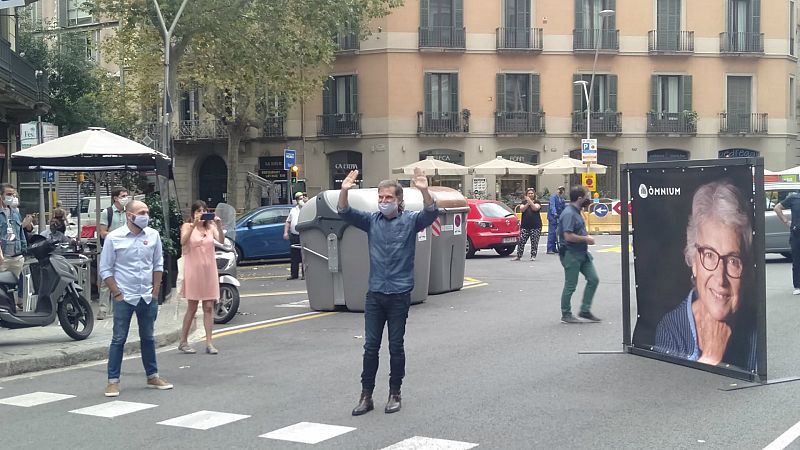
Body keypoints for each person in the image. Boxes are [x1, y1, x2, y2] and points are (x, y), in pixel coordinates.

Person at [338, 167, 438, 416]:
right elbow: (344, 212)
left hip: (399, 293)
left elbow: (431, 213)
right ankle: (366, 396)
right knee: (370, 346)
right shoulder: (372, 221)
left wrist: (425, 191)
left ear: (399, 200)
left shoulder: (411, 220)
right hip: (375, 294)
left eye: (389, 198)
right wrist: (344, 191)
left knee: (395, 346)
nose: (383, 201)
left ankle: (395, 393)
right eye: (381, 198)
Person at [655, 181, 756, 370]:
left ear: (747, 269)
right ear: (694, 261)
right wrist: (710, 358)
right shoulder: (671, 328)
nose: (720, 279)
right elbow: (671, 393)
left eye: (733, 260)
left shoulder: (755, 330)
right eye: (709, 255)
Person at [100, 199, 173, 397]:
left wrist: (155, 291)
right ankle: (113, 381)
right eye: (141, 212)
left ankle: (152, 376)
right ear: (129, 215)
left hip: (147, 296)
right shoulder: (114, 238)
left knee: (148, 337)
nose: (145, 216)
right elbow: (105, 269)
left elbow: (158, 264)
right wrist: (117, 293)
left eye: (147, 212)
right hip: (125, 295)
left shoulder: (153, 235)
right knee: (118, 339)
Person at [178, 200, 224, 355]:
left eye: (204, 211)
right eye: (198, 211)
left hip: (209, 270)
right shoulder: (187, 226)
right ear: (193, 213)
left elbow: (221, 241)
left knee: (209, 307)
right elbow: (183, 241)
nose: (201, 213)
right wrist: (193, 225)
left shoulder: (210, 227)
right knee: (192, 307)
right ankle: (183, 341)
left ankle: (209, 342)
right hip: (193, 270)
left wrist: (219, 224)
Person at [557, 185, 600, 324]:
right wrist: (586, 239)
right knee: (571, 285)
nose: (589, 198)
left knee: (593, 279)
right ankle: (566, 313)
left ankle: (585, 310)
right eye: (587, 196)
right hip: (571, 253)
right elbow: (568, 236)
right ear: (580, 198)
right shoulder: (569, 213)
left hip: (582, 253)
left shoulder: (577, 211)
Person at [97, 187, 130, 320]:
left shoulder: (128, 212)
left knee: (125, 277)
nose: (125, 198)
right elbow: (102, 232)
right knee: (107, 279)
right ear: (115, 198)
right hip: (111, 250)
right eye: (123, 196)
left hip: (126, 250)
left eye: (126, 196)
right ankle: (103, 310)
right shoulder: (107, 212)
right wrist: (117, 235)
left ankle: (125, 307)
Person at [0, 184, 27, 311]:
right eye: (9, 194)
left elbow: (20, 232)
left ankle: (10, 310)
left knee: (11, 286)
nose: (12, 197)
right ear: (1, 196)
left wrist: (23, 250)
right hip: (3, 257)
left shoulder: (15, 213)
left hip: (16, 257)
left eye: (14, 195)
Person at [774, 191, 800, 294]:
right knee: (797, 259)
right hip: (797, 233)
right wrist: (786, 221)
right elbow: (777, 208)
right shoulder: (794, 198)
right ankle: (798, 285)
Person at [512, 188, 543, 261]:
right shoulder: (523, 202)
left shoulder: (537, 202)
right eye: (529, 193)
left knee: (534, 242)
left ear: (534, 194)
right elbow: (522, 209)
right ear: (526, 195)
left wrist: (530, 202)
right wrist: (527, 203)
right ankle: (518, 256)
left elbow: (535, 208)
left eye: (532, 193)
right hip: (525, 226)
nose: (530, 194)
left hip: (536, 226)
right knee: (521, 241)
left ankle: (533, 256)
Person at [284, 192, 307, 280]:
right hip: (294, 235)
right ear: (297, 200)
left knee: (304, 255)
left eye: (302, 198)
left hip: (304, 235)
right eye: (299, 199)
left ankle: (305, 274)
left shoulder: (306, 209)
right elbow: (288, 222)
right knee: (294, 256)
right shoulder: (293, 210)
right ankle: (294, 274)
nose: (301, 200)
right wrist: (285, 232)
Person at [547, 186, 566, 254]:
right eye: (560, 190)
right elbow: (552, 206)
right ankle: (549, 249)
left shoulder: (561, 199)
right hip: (553, 217)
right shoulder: (553, 197)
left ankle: (554, 248)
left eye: (562, 190)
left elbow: (564, 207)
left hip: (559, 217)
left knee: (557, 233)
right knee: (552, 232)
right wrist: (554, 213)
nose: (561, 191)